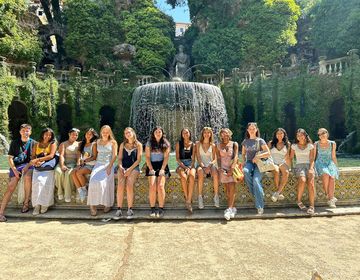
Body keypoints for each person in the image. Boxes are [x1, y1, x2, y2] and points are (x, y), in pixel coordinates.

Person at [0, 124, 35, 222]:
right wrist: (15, 171)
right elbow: (10, 158)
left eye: (27, 130)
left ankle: (26, 204)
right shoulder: (14, 143)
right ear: (20, 132)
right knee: (11, 186)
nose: (25, 132)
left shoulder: (34, 143)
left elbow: (34, 159)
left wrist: (27, 167)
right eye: (23, 130)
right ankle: (1, 212)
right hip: (16, 167)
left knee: (28, 177)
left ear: (30, 132)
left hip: (29, 166)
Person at [87, 125, 117, 216]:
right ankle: (92, 206)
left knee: (104, 182)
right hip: (98, 164)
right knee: (92, 182)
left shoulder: (113, 142)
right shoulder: (97, 142)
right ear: (101, 132)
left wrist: (109, 166)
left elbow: (115, 156)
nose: (105, 133)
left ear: (109, 133)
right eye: (103, 132)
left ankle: (108, 204)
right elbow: (94, 155)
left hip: (108, 164)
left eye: (107, 132)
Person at [241, 122, 270, 215]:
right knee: (245, 171)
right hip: (249, 162)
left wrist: (257, 157)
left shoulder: (260, 140)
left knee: (256, 180)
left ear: (256, 130)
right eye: (250, 129)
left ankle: (260, 206)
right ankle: (258, 193)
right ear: (247, 130)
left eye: (253, 128)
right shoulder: (245, 141)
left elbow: (268, 153)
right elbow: (243, 154)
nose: (252, 130)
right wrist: (243, 162)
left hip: (259, 163)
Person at [113, 127, 142, 220]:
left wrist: (129, 169)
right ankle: (119, 209)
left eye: (129, 132)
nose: (127, 134)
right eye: (125, 133)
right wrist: (121, 167)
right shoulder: (122, 144)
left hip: (134, 167)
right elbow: (120, 158)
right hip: (123, 167)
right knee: (120, 185)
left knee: (129, 184)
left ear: (133, 133)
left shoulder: (139, 145)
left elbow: (138, 160)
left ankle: (130, 209)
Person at [30, 128, 58, 215]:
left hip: (48, 168)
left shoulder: (52, 143)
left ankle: (45, 205)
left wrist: (39, 159)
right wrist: (36, 161)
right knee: (36, 185)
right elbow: (33, 156)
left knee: (46, 185)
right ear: (42, 134)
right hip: (38, 167)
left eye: (50, 135)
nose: (48, 136)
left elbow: (51, 155)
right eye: (46, 134)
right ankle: (37, 205)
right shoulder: (36, 144)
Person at [145, 126, 171, 218]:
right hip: (151, 165)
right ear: (153, 133)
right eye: (156, 132)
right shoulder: (149, 143)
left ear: (162, 133)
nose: (158, 133)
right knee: (152, 185)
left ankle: (161, 208)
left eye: (159, 132)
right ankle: (152, 208)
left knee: (160, 186)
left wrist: (163, 169)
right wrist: (151, 169)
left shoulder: (166, 143)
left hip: (162, 165)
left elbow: (166, 158)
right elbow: (147, 157)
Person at [289, 128, 316, 215]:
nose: (300, 137)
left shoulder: (310, 146)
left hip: (309, 165)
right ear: (296, 137)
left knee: (311, 183)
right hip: (299, 166)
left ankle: (312, 206)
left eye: (301, 135)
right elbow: (291, 158)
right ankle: (299, 201)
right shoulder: (294, 146)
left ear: (305, 136)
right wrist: (291, 168)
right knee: (302, 180)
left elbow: (312, 159)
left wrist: (311, 169)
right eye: (298, 135)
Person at [217, 128, 239, 220]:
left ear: (229, 134)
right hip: (223, 169)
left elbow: (236, 156)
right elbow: (218, 158)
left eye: (226, 134)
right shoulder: (218, 145)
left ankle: (229, 209)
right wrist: (219, 168)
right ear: (220, 135)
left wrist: (232, 167)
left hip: (231, 168)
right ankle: (233, 208)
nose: (225, 135)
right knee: (227, 190)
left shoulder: (234, 144)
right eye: (222, 134)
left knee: (232, 188)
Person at [72, 128, 98, 203]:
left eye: (90, 134)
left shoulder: (94, 144)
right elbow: (79, 155)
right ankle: (81, 191)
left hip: (91, 164)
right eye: (87, 133)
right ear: (85, 134)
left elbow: (94, 156)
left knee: (79, 173)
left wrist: (85, 161)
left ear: (93, 135)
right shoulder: (81, 143)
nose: (88, 135)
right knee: (73, 172)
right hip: (83, 164)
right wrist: (78, 163)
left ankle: (84, 191)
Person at [314, 128, 339, 208]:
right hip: (320, 162)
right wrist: (312, 167)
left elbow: (333, 156)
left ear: (327, 134)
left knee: (332, 177)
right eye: (319, 134)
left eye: (323, 133)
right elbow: (314, 157)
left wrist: (336, 167)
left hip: (329, 162)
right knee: (325, 174)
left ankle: (330, 199)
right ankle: (328, 195)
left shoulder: (332, 143)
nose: (321, 135)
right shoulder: (316, 144)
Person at [196, 127, 219, 209]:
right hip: (200, 164)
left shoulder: (213, 145)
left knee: (215, 174)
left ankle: (216, 196)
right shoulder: (198, 144)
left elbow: (214, 159)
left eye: (208, 132)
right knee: (200, 173)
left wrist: (209, 166)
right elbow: (198, 157)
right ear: (202, 134)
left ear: (210, 134)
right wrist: (203, 167)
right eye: (205, 132)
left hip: (210, 164)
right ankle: (200, 197)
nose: (206, 134)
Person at [55, 128, 80, 203]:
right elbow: (61, 155)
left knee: (68, 174)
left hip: (73, 164)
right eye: (73, 134)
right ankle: (60, 192)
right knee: (58, 172)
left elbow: (79, 156)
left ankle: (68, 195)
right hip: (63, 162)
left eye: (76, 135)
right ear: (69, 134)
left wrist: (78, 164)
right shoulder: (63, 144)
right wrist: (62, 165)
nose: (74, 136)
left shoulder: (79, 144)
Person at [175, 128, 196, 213]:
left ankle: (188, 200)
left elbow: (194, 159)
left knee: (192, 176)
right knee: (183, 177)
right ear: (182, 134)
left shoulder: (193, 145)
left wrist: (190, 167)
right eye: (184, 133)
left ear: (189, 134)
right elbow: (177, 158)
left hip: (190, 164)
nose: (185, 134)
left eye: (187, 133)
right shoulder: (178, 144)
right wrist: (184, 167)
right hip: (181, 164)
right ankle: (188, 199)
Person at [268, 128, 291, 202]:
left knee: (286, 172)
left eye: (281, 133)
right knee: (276, 171)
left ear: (284, 134)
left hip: (282, 162)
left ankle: (277, 193)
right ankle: (279, 193)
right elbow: (267, 154)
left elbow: (287, 157)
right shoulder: (271, 143)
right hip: (272, 162)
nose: (280, 135)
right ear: (275, 135)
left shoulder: (288, 144)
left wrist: (289, 166)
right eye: (278, 133)